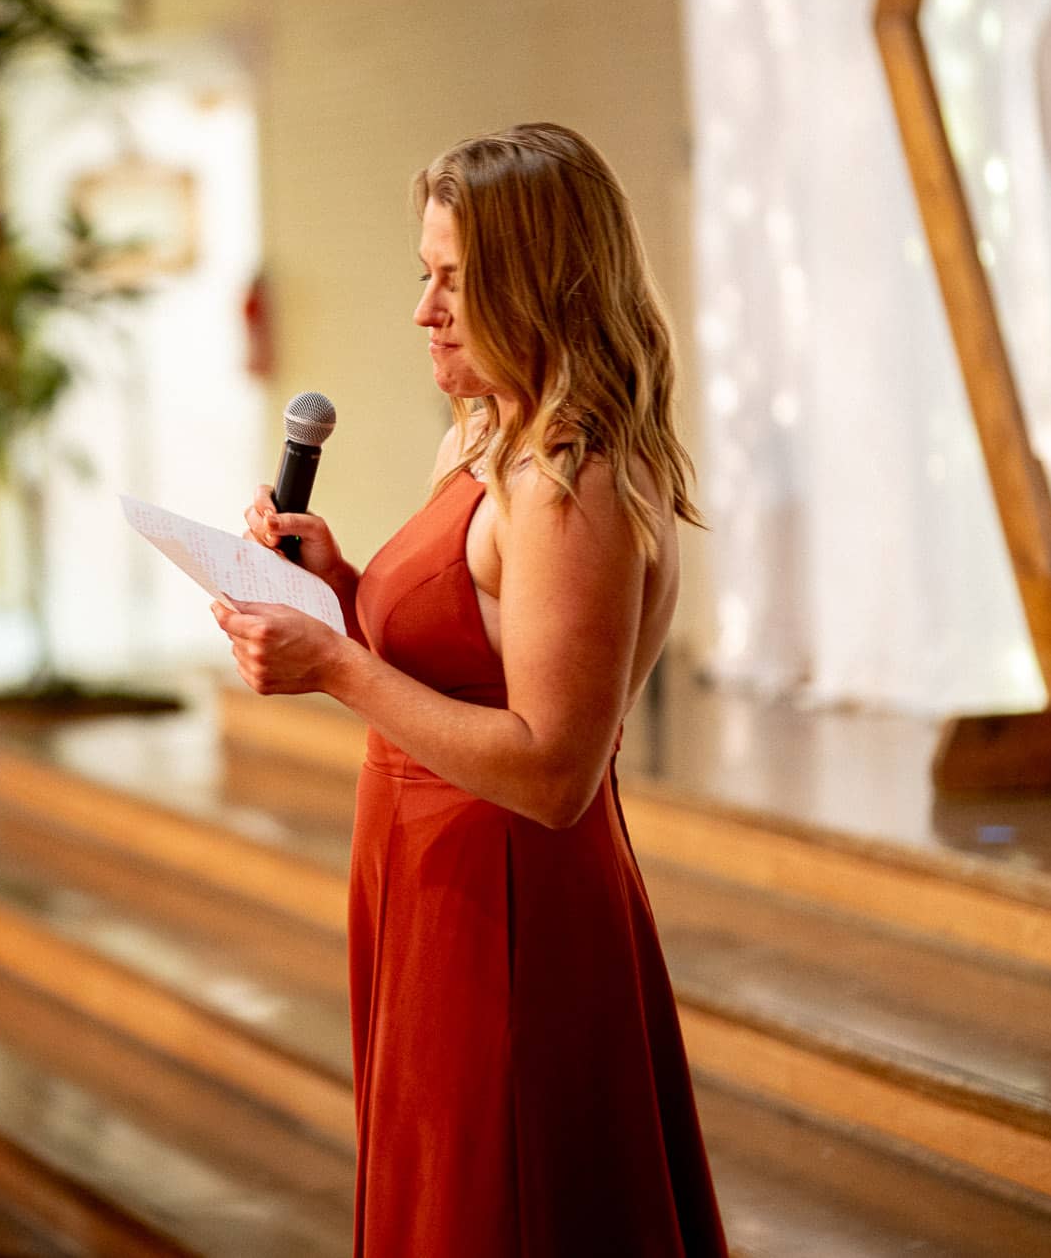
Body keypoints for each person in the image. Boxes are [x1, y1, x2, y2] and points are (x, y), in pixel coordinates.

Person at [218, 124, 727, 1255]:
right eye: (425, 274)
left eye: (453, 279)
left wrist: (334, 666)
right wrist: (336, 588)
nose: (424, 310)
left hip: (505, 901)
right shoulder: (488, 435)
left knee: (503, 1206)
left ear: (536, 281)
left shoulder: (571, 476)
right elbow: (461, 649)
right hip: (424, 879)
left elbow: (552, 770)